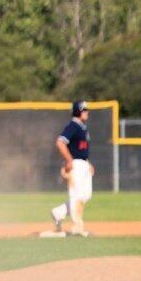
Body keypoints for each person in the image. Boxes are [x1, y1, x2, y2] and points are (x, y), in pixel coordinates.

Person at [50, 101, 95, 236]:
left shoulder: (82, 127)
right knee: (76, 196)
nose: (87, 112)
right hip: (75, 164)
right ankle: (77, 227)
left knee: (86, 195)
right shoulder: (73, 125)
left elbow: (82, 148)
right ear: (77, 111)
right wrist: (69, 160)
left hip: (83, 164)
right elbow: (60, 142)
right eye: (84, 110)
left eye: (87, 110)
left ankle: (58, 213)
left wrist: (88, 163)